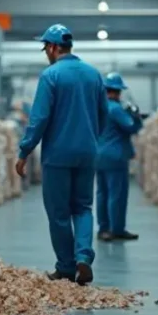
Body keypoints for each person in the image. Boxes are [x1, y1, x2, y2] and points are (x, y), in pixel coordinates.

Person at [15, 24, 106, 285]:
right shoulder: (93, 75)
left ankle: (65, 267)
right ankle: (83, 258)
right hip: (87, 152)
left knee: (59, 212)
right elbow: (103, 115)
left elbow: (39, 117)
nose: (46, 53)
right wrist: (90, 139)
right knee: (83, 207)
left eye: (46, 48)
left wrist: (24, 151)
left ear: (54, 47)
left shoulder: (51, 76)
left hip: (57, 154)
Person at [95, 72, 143, 242]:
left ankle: (103, 228)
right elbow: (130, 127)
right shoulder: (115, 109)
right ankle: (116, 229)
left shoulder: (98, 108)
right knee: (117, 193)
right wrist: (136, 116)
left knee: (102, 193)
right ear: (117, 91)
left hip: (99, 155)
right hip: (115, 156)